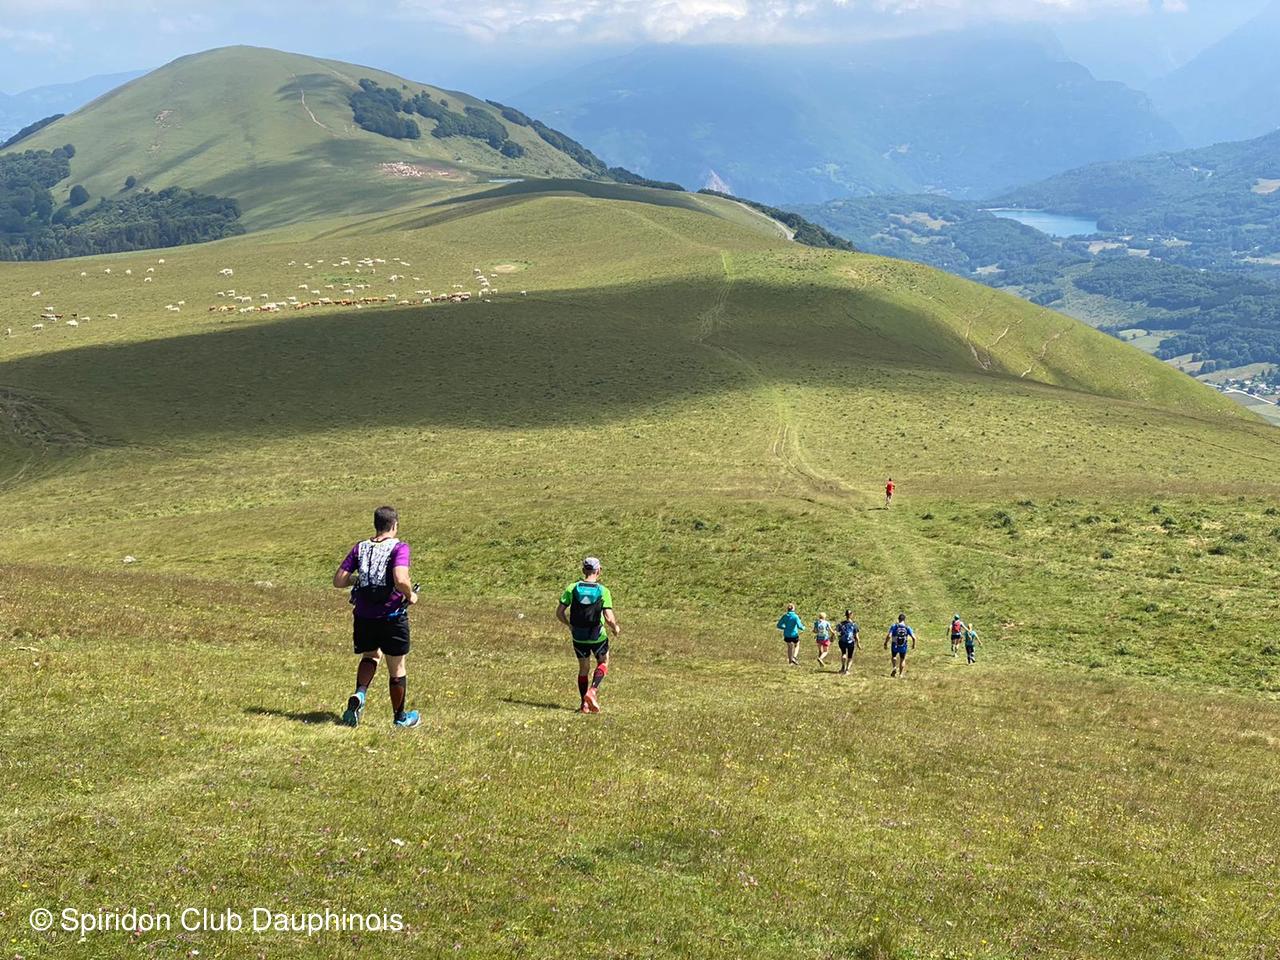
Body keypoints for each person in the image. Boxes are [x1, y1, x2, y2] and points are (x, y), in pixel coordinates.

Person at [334, 506, 420, 729]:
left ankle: (360, 694)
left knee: (370, 655)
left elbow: (339, 580)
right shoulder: (399, 547)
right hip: (391, 615)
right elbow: (400, 579)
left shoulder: (360, 547)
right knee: (397, 667)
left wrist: (357, 580)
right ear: (394, 525)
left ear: (376, 525)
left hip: (364, 616)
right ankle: (400, 717)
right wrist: (411, 595)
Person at [556, 557, 620, 713]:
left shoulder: (572, 588)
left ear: (583, 570)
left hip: (578, 636)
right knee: (603, 662)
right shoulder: (603, 591)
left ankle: (583, 705)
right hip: (597, 636)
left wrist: (569, 625)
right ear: (599, 570)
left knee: (583, 668)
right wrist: (615, 628)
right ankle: (592, 691)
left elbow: (559, 612)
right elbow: (608, 617)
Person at [883, 613, 915, 678]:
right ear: (904, 619)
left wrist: (885, 643)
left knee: (894, 656)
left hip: (895, 645)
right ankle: (900, 674)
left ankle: (894, 667)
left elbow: (889, 636)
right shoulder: (907, 627)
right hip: (903, 646)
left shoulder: (894, 626)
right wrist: (913, 644)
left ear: (898, 619)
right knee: (902, 659)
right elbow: (914, 637)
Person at [836, 610, 860, 674]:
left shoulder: (841, 624)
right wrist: (858, 644)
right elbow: (856, 636)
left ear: (845, 615)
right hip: (850, 642)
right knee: (850, 656)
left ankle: (842, 668)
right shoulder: (854, 624)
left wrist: (832, 637)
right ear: (851, 615)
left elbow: (836, 631)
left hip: (842, 641)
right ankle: (847, 670)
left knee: (843, 654)